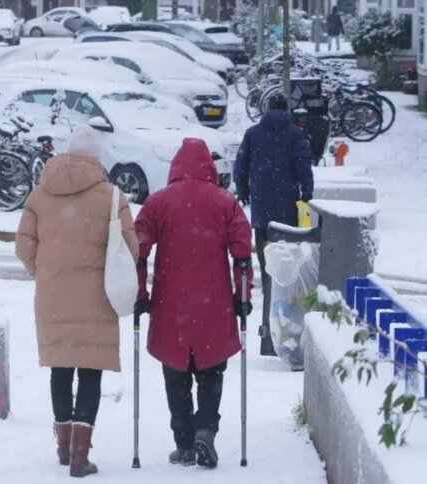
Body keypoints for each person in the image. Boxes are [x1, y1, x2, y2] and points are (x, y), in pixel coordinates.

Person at [16, 124, 139, 478]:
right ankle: (80, 457)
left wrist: (44, 272)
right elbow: (130, 249)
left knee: (60, 369)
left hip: (53, 297)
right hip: (96, 298)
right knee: (89, 372)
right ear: (97, 160)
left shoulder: (40, 195)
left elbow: (23, 245)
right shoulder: (113, 197)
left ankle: (63, 444)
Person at [134, 138, 254, 469]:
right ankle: (206, 430)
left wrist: (139, 295)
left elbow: (137, 251)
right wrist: (243, 297)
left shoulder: (158, 202)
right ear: (209, 168)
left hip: (170, 303)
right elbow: (242, 253)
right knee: (211, 370)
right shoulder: (225, 202)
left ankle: (184, 441)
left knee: (175, 371)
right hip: (213, 303)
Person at [235, 93, 313, 356]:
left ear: (267, 109)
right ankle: (284, 311)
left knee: (267, 260)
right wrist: (306, 192)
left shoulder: (253, 133)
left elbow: (241, 166)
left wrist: (244, 190)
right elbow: (304, 164)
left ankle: (268, 320)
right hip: (287, 211)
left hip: (262, 209)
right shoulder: (294, 134)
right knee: (288, 262)